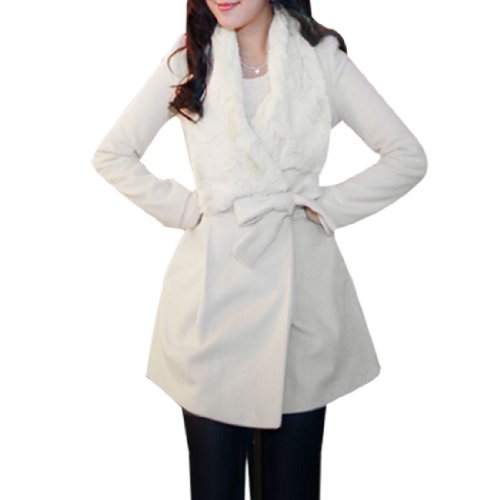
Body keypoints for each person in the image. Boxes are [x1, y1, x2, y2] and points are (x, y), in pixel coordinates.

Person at [91, 1, 428, 498]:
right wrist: (184, 209)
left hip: (299, 311)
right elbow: (113, 154)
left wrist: (321, 207)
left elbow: (406, 157)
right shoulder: (191, 60)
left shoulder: (320, 60)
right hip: (212, 305)